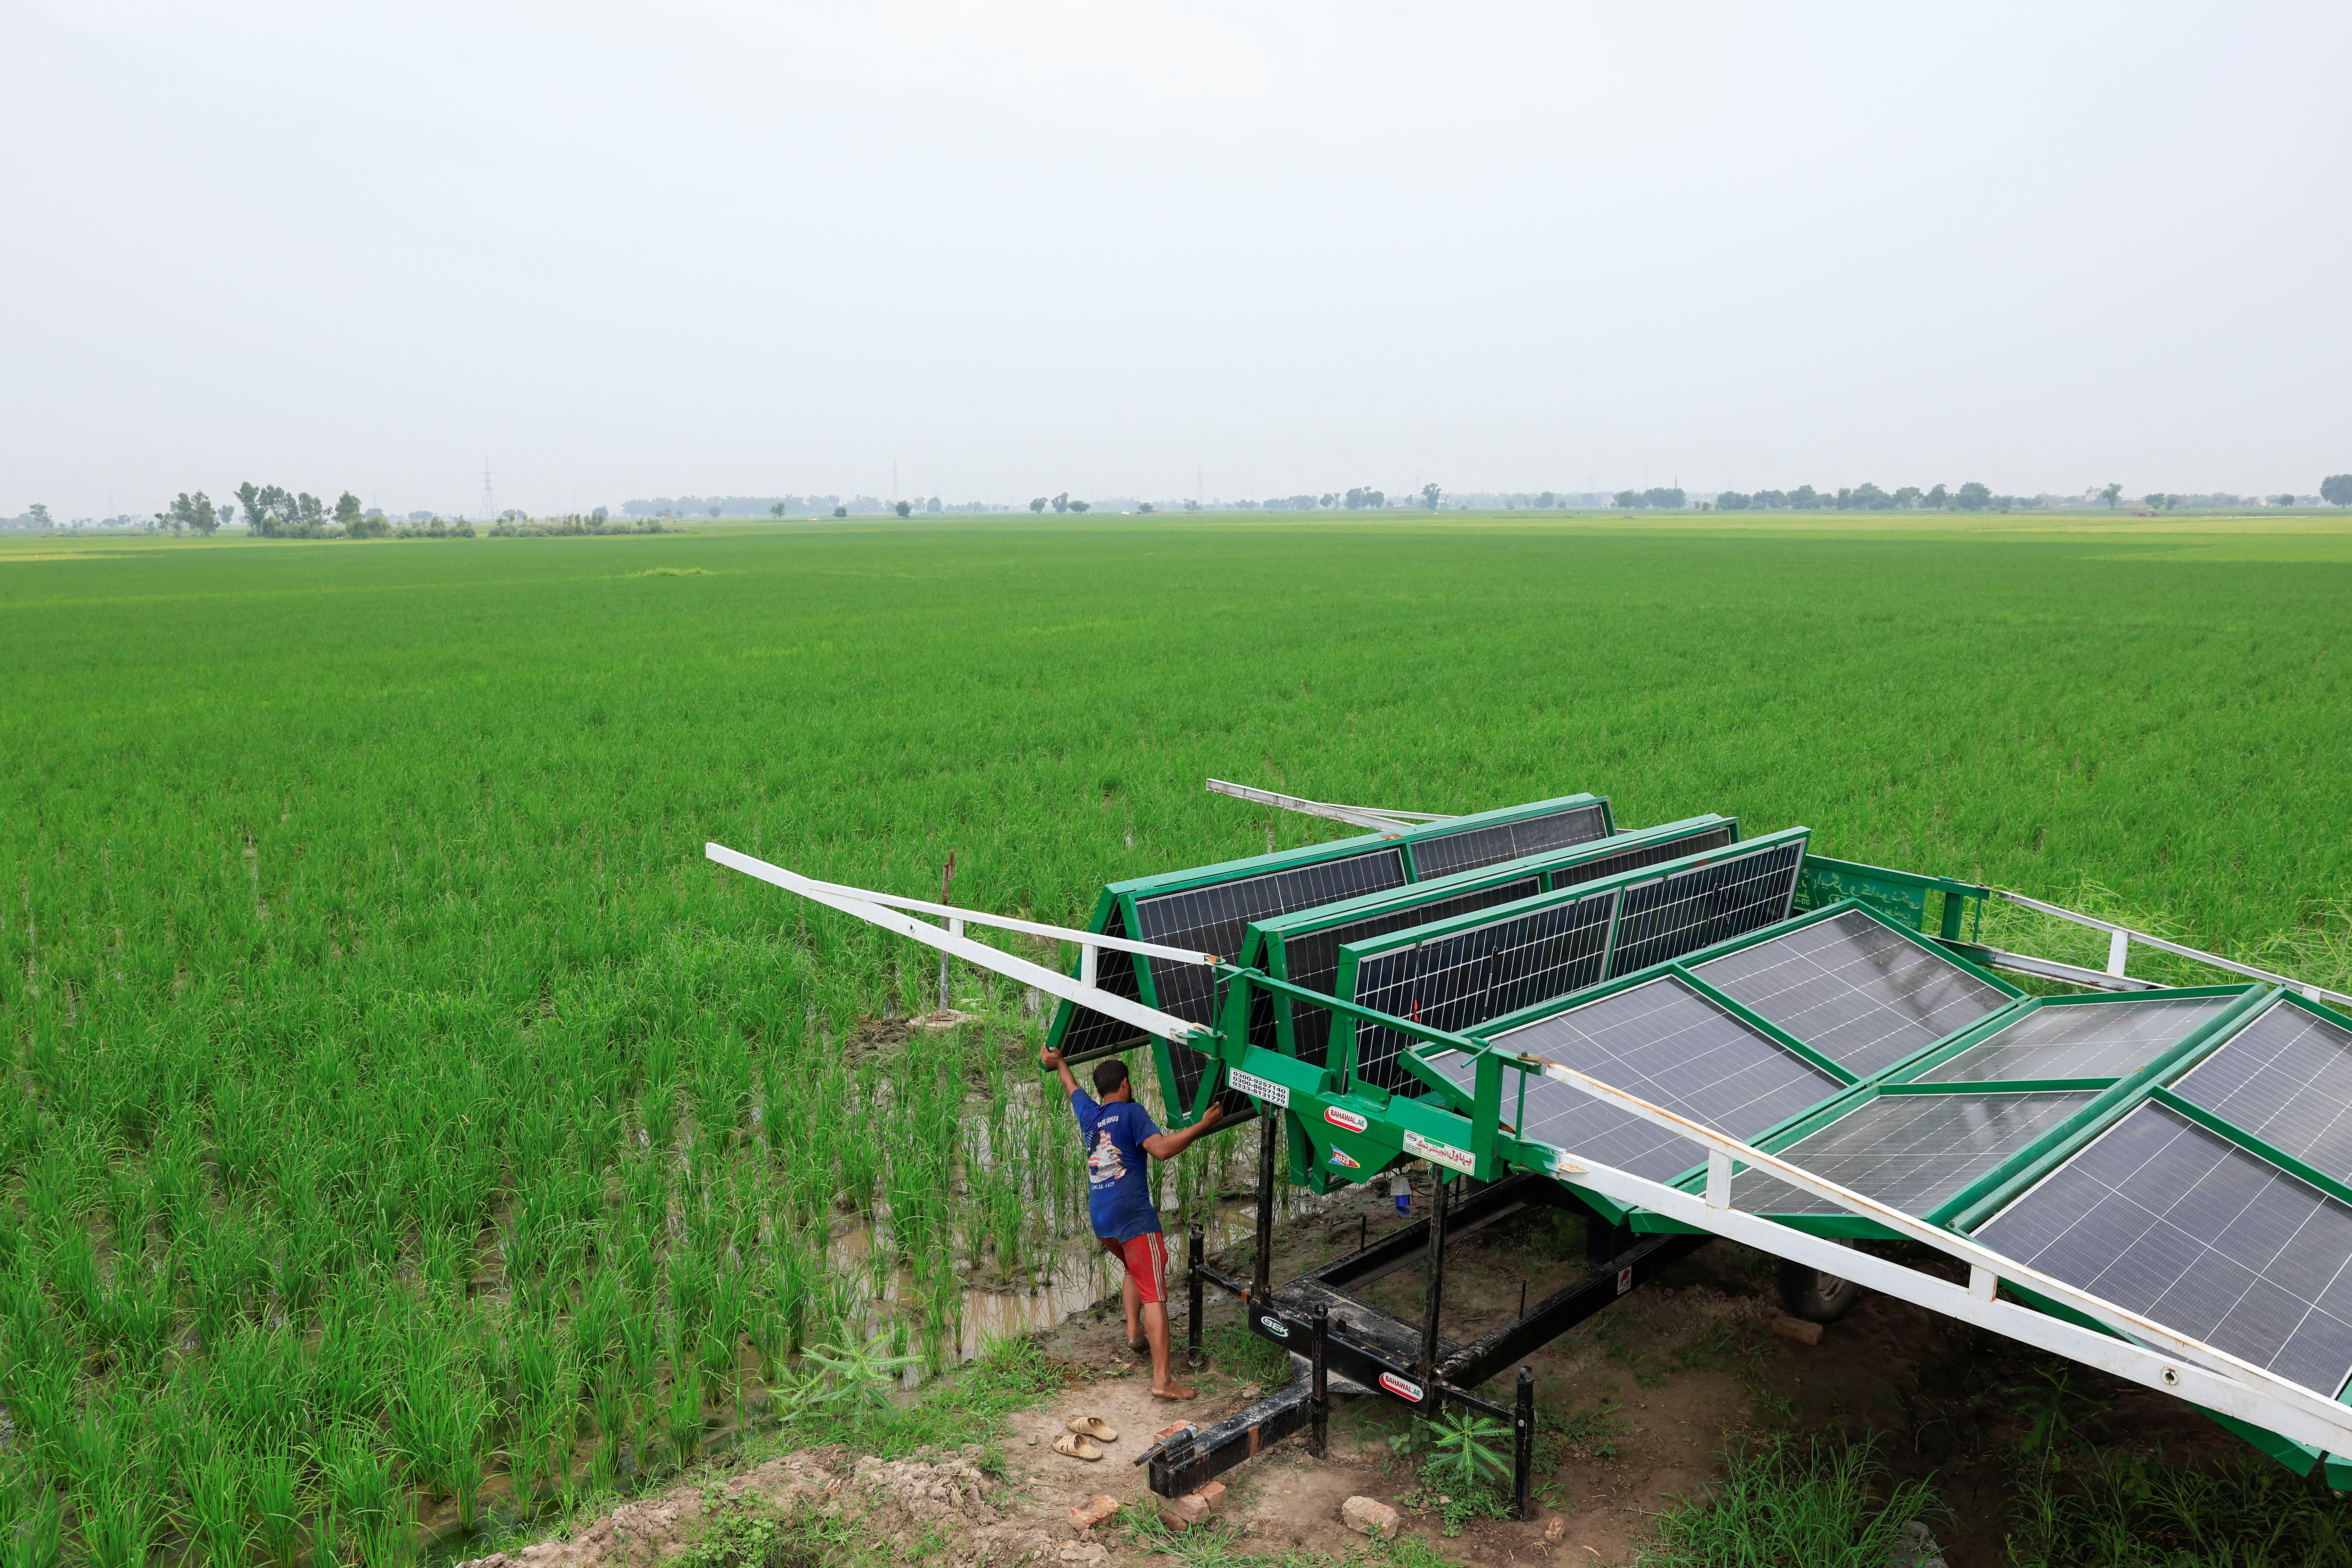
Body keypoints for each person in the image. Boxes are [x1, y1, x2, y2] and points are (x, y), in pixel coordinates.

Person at [1040, 1046, 1223, 1399]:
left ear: (1100, 1091)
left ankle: (1134, 1334)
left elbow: (1070, 1087)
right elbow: (1161, 1149)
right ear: (1125, 1084)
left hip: (1102, 1220)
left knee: (1131, 1268)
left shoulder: (1090, 1115)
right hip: (1134, 1218)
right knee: (1154, 1291)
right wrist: (1202, 1125)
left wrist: (1060, 1061)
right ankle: (1163, 1381)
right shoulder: (1132, 1112)